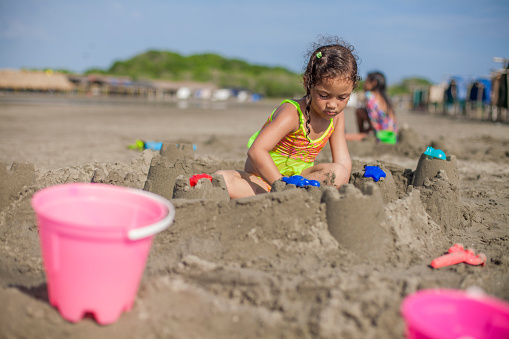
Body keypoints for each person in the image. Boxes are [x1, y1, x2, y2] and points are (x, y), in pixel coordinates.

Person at [214, 36, 359, 199]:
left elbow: (342, 161)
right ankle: (288, 196)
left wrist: (343, 183)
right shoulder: (292, 114)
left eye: (342, 97)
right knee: (222, 179)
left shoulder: (336, 118)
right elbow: (256, 151)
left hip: (299, 180)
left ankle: (298, 195)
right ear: (307, 84)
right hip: (263, 180)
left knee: (338, 172)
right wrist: (280, 186)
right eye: (324, 95)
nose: (333, 105)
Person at [346, 71, 397, 142]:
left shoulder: (370, 95)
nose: (364, 84)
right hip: (392, 136)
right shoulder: (385, 98)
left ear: (374, 83)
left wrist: (368, 132)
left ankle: (362, 134)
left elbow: (374, 120)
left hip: (381, 135)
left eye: (366, 81)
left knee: (359, 111)